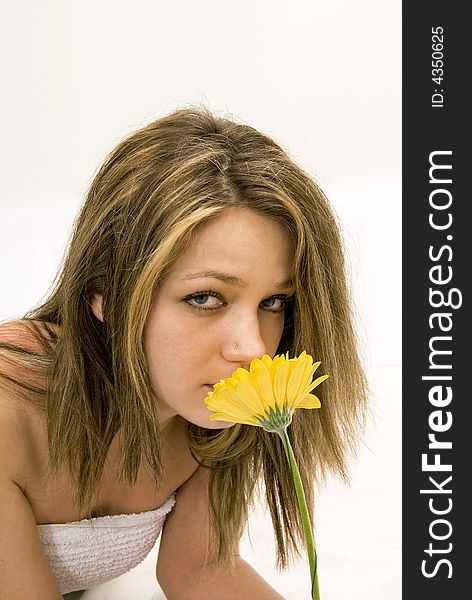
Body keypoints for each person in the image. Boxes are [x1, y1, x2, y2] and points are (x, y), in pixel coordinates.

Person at [0, 107, 368, 599]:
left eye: (274, 302)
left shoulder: (207, 414)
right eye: (204, 298)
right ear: (103, 294)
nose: (253, 349)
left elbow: (201, 571)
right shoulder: (9, 414)